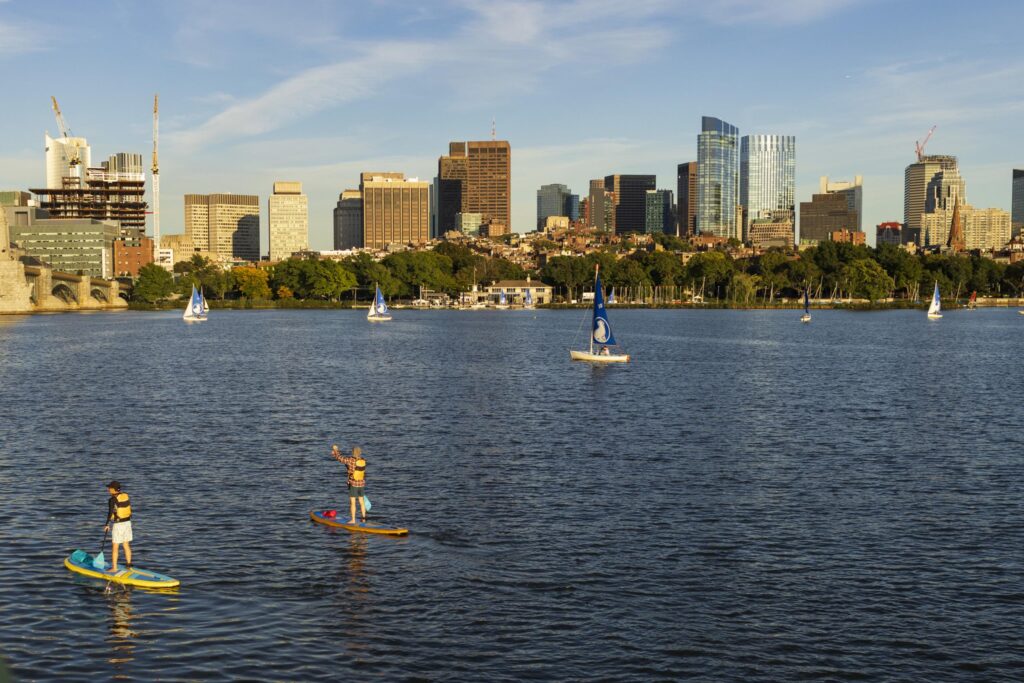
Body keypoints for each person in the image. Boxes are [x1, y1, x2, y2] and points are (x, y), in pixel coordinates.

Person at [331, 445, 367, 524]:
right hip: (361, 483)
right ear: (360, 452)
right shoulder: (363, 460)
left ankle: (353, 520)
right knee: (361, 501)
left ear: (353, 452)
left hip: (353, 484)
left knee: (353, 502)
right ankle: (364, 519)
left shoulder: (350, 460)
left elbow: (340, 458)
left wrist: (335, 450)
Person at [104, 481, 133, 572]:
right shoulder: (125, 495)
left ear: (113, 489)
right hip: (127, 523)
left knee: (115, 546)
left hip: (119, 524)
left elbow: (110, 512)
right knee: (126, 544)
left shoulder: (112, 499)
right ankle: (128, 565)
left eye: (109, 488)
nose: (108, 489)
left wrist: (107, 524)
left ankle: (114, 568)